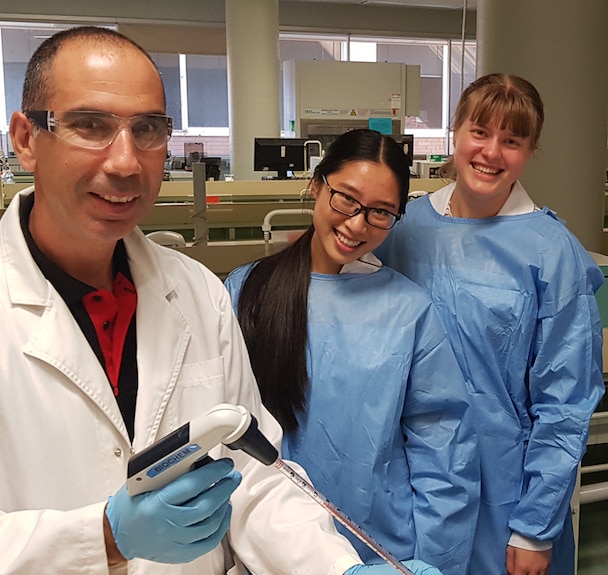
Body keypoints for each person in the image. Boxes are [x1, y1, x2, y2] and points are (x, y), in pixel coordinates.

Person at [0, 25, 441, 575]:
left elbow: (254, 474)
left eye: (148, 129)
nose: (125, 162)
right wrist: (103, 538)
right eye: (89, 125)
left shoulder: (198, 295)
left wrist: (334, 568)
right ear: (24, 138)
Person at [376, 73, 606, 575]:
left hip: (502, 494)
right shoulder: (406, 228)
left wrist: (535, 526)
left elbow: (565, 402)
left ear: (530, 150)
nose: (492, 152)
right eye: (480, 132)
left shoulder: (551, 252)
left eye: (512, 140)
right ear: (455, 133)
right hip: (411, 483)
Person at [224, 128, 480, 575]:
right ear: (316, 184)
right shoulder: (247, 292)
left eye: (381, 213)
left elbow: (444, 455)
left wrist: (435, 561)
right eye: (346, 198)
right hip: (266, 552)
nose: (357, 224)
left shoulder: (410, 311)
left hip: (382, 550)